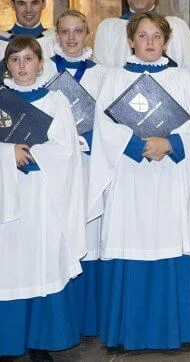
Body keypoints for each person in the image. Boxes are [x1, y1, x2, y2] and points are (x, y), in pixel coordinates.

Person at [87, 12, 190, 350]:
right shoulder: (113, 78)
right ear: (131, 40)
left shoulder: (182, 78)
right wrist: (137, 146)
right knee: (129, 237)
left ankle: (175, 332)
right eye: (143, 36)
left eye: (157, 36)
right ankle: (126, 333)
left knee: (169, 237)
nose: (151, 42)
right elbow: (104, 128)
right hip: (129, 176)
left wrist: (169, 144)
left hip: (169, 176)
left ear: (166, 41)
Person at [93, 0, 190, 195]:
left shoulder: (175, 26)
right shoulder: (109, 28)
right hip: (126, 143)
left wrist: (172, 137)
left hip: (169, 137)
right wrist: (131, 138)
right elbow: (102, 83)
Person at [0, 37, 85, 361]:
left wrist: (33, 153)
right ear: (7, 65)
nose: (22, 66)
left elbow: (67, 149)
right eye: (15, 60)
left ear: (40, 63)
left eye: (28, 59)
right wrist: (9, 153)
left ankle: (40, 341)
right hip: (7, 198)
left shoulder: (55, 101)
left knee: (41, 261)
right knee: (8, 265)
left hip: (42, 195)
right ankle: (8, 339)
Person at [43, 9, 106, 337]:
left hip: (88, 167)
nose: (71, 38)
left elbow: (112, 123)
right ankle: (59, 321)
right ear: (56, 34)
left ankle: (89, 321)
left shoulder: (103, 75)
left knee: (90, 236)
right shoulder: (43, 72)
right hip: (54, 171)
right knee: (57, 237)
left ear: (87, 34)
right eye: (65, 31)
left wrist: (90, 139)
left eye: (78, 31)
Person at [0, 0, 55, 78]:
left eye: (34, 3)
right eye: (22, 4)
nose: (28, 10)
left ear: (44, 3)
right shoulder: (1, 41)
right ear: (12, 5)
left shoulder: (56, 41)